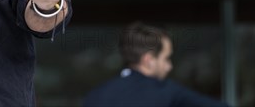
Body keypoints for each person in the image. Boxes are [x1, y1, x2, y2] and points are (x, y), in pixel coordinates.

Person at [83, 22, 230, 107]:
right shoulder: (164, 90)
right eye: (166, 58)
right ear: (149, 60)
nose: (170, 66)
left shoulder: (96, 96)